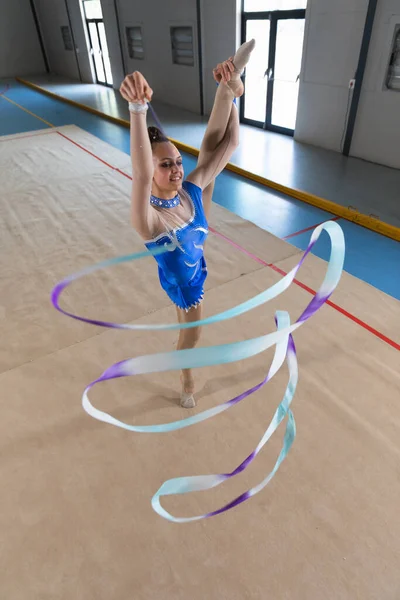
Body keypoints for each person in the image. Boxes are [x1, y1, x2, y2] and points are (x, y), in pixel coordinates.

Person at [119, 39, 255, 408]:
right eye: (167, 165)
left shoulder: (190, 189)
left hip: (195, 248)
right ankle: (186, 374)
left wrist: (234, 97)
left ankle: (227, 84)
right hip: (186, 283)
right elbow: (142, 172)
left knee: (210, 154)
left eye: (178, 160)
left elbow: (229, 145)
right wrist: (137, 109)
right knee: (191, 339)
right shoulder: (149, 221)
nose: (177, 169)